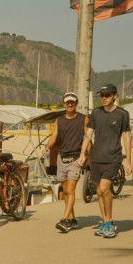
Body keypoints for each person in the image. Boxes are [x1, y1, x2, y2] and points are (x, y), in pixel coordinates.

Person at [78, 83, 132, 239]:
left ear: (115, 96)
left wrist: (128, 161)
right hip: (96, 158)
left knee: (104, 189)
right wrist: (83, 154)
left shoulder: (122, 114)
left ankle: (109, 222)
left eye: (107, 95)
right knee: (99, 192)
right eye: (101, 95)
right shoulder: (95, 113)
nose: (103, 98)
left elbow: (127, 137)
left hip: (113, 157)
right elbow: (88, 135)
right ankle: (104, 221)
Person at [43, 92, 87, 233]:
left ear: (76, 103)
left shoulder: (83, 119)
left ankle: (65, 219)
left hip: (76, 158)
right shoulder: (59, 120)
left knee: (70, 190)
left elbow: (88, 138)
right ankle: (72, 218)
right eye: (67, 102)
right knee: (66, 191)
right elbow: (54, 136)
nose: (70, 104)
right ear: (64, 104)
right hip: (62, 158)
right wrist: (46, 147)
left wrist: (86, 156)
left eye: (72, 102)